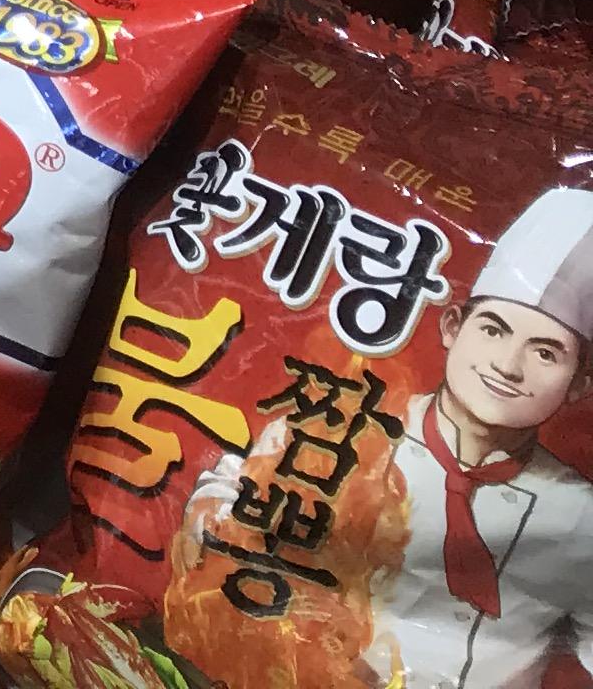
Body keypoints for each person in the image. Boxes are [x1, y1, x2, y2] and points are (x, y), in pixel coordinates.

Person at [176, 185, 593, 689]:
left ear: (579, 386)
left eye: (545, 353)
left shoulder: (581, 515)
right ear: (452, 327)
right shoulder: (341, 430)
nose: (508, 366)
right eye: (492, 330)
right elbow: (223, 496)